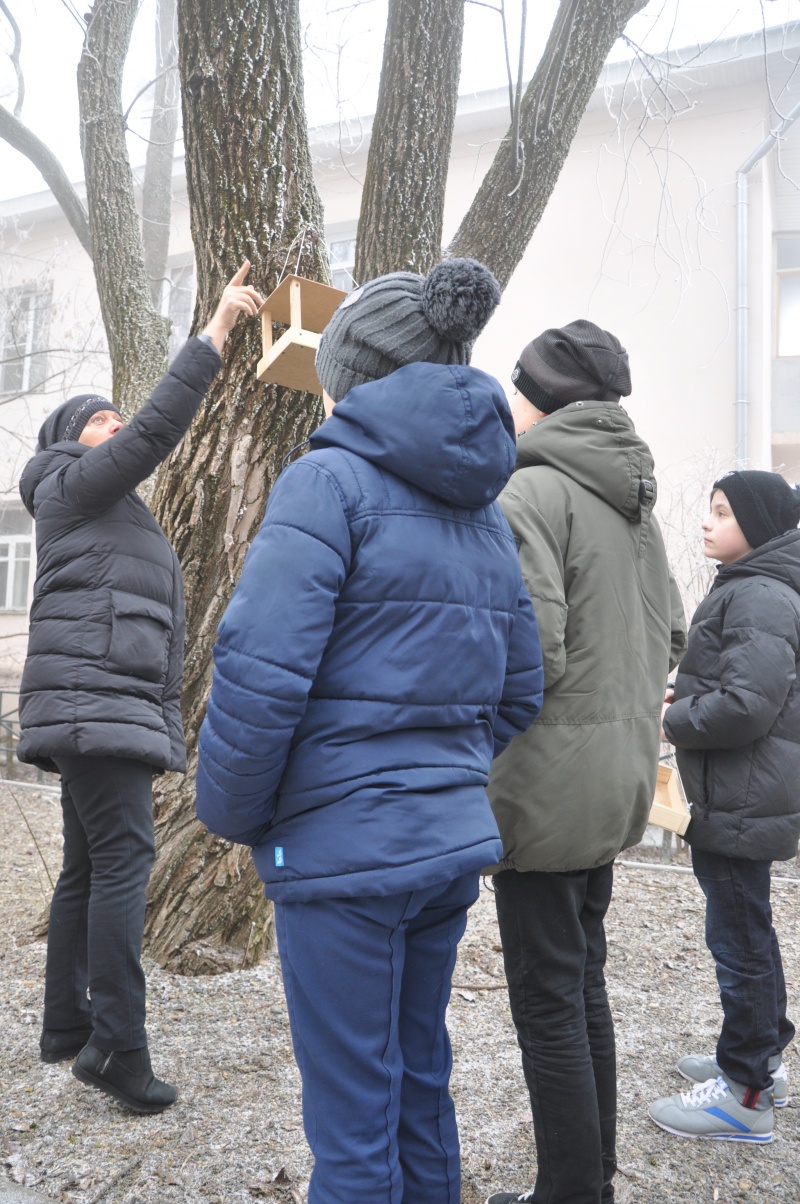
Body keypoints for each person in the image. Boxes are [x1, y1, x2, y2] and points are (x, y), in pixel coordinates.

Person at [195, 258, 544, 1203]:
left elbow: (260, 673)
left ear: (350, 373)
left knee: (352, 1124)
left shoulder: (328, 484)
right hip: (442, 851)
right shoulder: (484, 515)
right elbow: (522, 690)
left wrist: (238, 814)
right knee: (419, 1087)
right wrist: (444, 773)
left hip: (341, 857)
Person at [18, 262, 263, 1115]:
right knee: (125, 865)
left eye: (115, 417)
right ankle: (120, 1046)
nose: (117, 425)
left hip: (103, 708)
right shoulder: (71, 485)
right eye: (101, 420)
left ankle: (68, 1028)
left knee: (89, 866)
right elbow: (158, 430)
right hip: (95, 707)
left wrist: (163, 721)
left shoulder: (107, 507)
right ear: (67, 438)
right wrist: (215, 335)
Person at [483, 321, 686, 1204]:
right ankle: (590, 1175)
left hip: (544, 793)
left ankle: (571, 1192)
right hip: (615, 782)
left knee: (547, 998)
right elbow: (671, 633)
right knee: (581, 980)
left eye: (516, 387)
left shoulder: (531, 493)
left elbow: (527, 655)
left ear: (544, 398)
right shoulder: (630, 505)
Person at [648, 470, 800, 1144]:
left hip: (740, 798)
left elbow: (748, 704)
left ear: (758, 526)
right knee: (749, 931)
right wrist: (683, 694)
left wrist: (673, 720)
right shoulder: (752, 585)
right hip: (743, 795)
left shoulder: (762, 594)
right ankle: (761, 1058)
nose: (707, 523)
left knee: (738, 941)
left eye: (721, 512)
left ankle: (744, 1095)